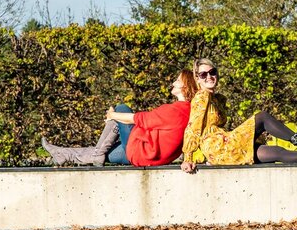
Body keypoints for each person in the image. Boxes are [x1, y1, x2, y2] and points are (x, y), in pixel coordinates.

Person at [180, 57, 297, 174]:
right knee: (262, 117)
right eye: (203, 75)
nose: (209, 77)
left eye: (212, 72)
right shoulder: (201, 97)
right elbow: (193, 127)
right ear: (198, 79)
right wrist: (187, 157)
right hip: (219, 147)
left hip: (222, 149)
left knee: (275, 152)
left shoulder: (217, 99)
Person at [42, 69, 197, 167]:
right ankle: (62, 154)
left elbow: (139, 118)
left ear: (185, 85)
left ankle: (93, 154)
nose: (173, 82)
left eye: (177, 80)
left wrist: (113, 115)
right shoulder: (189, 110)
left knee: (122, 107)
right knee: (102, 152)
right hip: (151, 158)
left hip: (144, 153)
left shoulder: (175, 110)